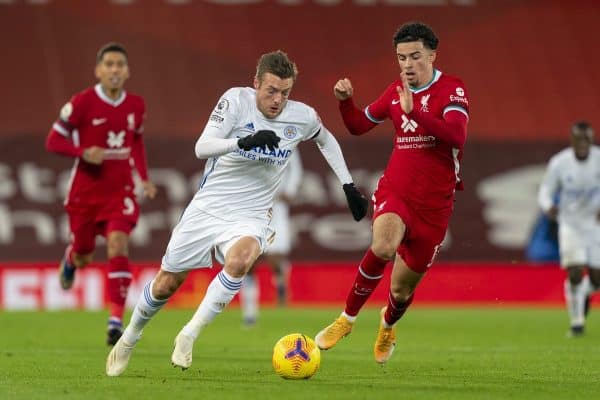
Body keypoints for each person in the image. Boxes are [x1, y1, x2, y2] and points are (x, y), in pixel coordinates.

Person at [105, 50, 368, 376]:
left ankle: (189, 333)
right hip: (209, 207)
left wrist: (348, 185)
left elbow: (326, 140)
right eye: (271, 90)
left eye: (285, 93)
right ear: (256, 82)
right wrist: (242, 142)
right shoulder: (235, 101)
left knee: (243, 260)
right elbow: (202, 147)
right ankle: (130, 336)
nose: (277, 100)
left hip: (253, 213)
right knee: (166, 285)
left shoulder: (301, 117)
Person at [315, 22, 469, 364]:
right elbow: (358, 125)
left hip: (435, 205)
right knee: (383, 246)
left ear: (432, 55)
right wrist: (345, 102)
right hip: (397, 189)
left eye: (415, 56)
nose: (408, 65)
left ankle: (387, 324)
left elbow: (456, 137)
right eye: (401, 58)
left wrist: (418, 113)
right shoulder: (393, 93)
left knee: (401, 291)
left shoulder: (452, 89)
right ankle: (346, 319)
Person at [45, 42, 157, 346]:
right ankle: (71, 258)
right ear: (98, 70)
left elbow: (136, 143)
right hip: (85, 192)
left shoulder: (137, 105)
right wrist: (82, 152)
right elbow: (53, 141)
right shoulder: (81, 103)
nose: (114, 69)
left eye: (120, 64)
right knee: (83, 254)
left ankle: (115, 320)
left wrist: (144, 179)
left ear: (127, 71)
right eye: (108, 64)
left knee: (118, 244)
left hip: (119, 190)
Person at [538, 121, 600, 337]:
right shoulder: (560, 163)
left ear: (591, 140)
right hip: (570, 224)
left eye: (587, 139)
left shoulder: (599, 159)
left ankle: (583, 293)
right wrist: (548, 207)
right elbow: (545, 190)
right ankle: (577, 322)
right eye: (578, 139)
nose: (583, 143)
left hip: (594, 225)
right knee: (574, 271)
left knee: (596, 278)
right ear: (572, 140)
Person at [240, 150, 303, 326]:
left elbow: (296, 169)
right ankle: (250, 314)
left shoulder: (287, 137)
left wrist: (289, 190)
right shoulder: (249, 137)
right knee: (249, 262)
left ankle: (282, 276)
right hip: (253, 208)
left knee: (275, 258)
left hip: (277, 207)